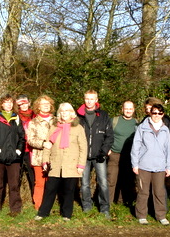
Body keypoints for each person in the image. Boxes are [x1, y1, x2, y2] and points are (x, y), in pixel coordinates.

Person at [35, 103, 87, 221]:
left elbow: (83, 148)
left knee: (68, 191)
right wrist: (45, 162)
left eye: (67, 111)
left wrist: (81, 165)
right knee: (50, 189)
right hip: (55, 164)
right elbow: (48, 146)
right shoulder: (54, 127)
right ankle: (43, 213)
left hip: (72, 165)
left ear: (71, 113)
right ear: (59, 113)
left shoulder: (78, 128)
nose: (64, 113)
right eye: (62, 111)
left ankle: (66, 214)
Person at [131, 104, 170, 225]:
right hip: (144, 165)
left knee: (159, 192)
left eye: (159, 113)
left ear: (163, 115)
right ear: (150, 113)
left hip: (160, 166)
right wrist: (135, 164)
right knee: (143, 192)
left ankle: (161, 215)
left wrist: (168, 166)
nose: (156, 116)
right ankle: (141, 215)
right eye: (154, 113)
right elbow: (136, 146)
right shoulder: (142, 128)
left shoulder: (165, 129)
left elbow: (168, 149)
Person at [77, 90, 114, 218]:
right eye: (87, 98)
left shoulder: (103, 115)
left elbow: (109, 136)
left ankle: (104, 209)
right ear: (84, 99)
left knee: (103, 182)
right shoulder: (78, 116)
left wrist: (103, 152)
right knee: (84, 183)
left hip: (99, 155)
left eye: (92, 99)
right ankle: (87, 206)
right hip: (83, 156)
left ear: (96, 100)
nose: (89, 101)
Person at [0, 94, 25, 216]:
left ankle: (15, 208)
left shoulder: (17, 118)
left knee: (14, 185)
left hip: (14, 158)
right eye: (6, 102)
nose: (8, 104)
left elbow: (22, 137)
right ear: (1, 104)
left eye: (10, 102)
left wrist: (18, 150)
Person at [25, 95, 56, 210]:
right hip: (39, 157)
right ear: (38, 106)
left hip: (55, 156)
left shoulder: (57, 120)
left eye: (48, 103)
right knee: (40, 183)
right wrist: (43, 143)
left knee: (52, 183)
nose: (46, 105)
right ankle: (38, 206)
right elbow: (30, 140)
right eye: (43, 103)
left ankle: (50, 204)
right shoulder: (33, 122)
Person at [108, 101, 138, 206]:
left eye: (130, 108)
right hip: (114, 155)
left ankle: (123, 202)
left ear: (133, 110)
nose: (128, 110)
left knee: (127, 181)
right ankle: (108, 204)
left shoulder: (137, 123)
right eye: (126, 108)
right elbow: (107, 135)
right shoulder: (114, 121)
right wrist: (108, 149)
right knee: (111, 180)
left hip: (129, 156)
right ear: (122, 109)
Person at [15, 94, 35, 196]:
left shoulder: (34, 115)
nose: (23, 106)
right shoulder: (15, 116)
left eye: (25, 103)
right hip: (19, 148)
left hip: (31, 149)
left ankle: (35, 197)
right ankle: (16, 199)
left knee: (33, 175)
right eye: (21, 104)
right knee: (17, 175)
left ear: (29, 103)